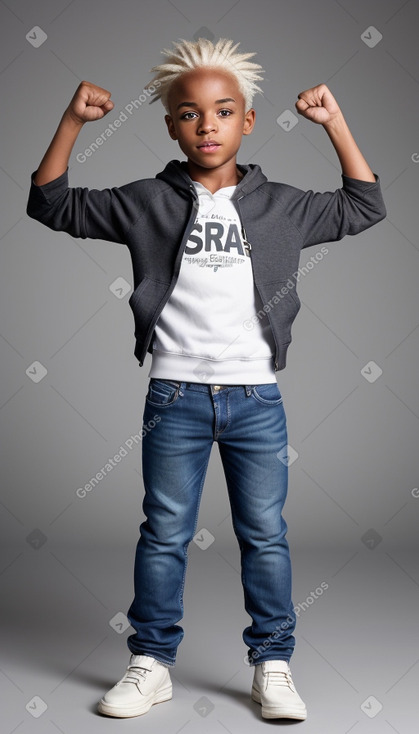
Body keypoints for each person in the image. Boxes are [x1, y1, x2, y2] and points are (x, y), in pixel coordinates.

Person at [26, 37, 386, 721]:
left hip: (256, 399)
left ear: (247, 121)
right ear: (169, 125)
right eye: (189, 114)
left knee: (264, 533)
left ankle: (272, 665)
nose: (207, 125)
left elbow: (363, 206)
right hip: (174, 397)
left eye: (223, 111)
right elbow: (50, 204)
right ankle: (150, 664)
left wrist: (335, 122)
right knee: (163, 531)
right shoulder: (144, 202)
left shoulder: (281, 205)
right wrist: (72, 122)